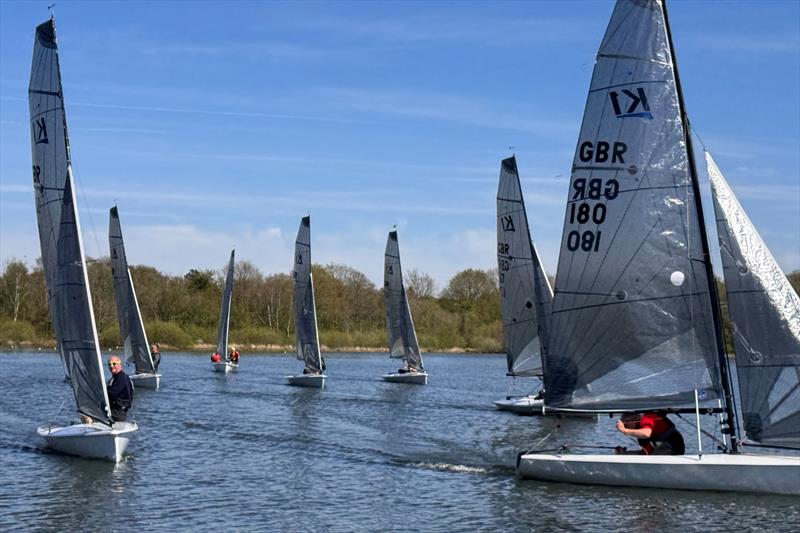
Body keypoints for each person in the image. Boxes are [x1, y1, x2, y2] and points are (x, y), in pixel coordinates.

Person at [614, 412, 685, 455]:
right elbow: (645, 453)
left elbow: (646, 434)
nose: (626, 427)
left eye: (626, 425)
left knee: (652, 458)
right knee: (645, 449)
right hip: (662, 445)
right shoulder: (641, 435)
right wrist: (624, 454)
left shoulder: (646, 418)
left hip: (673, 443)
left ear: (632, 422)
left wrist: (626, 430)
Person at [107, 356, 134, 423]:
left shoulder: (122, 378)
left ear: (119, 364)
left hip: (118, 413)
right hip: (113, 409)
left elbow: (112, 393)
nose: (111, 366)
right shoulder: (115, 377)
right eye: (109, 364)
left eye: (114, 363)